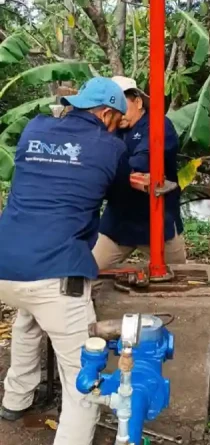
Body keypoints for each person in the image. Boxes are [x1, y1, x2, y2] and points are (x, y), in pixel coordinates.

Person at [0, 77, 130, 445]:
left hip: (6, 265)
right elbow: (119, 193)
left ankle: (15, 399)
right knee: (82, 379)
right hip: (55, 273)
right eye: (118, 120)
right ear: (106, 114)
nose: (119, 126)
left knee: (28, 322)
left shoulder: (34, 127)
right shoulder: (109, 146)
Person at [91, 76, 186, 270]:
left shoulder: (159, 125)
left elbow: (143, 160)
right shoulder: (112, 126)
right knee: (90, 269)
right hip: (119, 220)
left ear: (138, 101)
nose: (119, 112)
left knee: (177, 277)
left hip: (157, 219)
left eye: (122, 105)